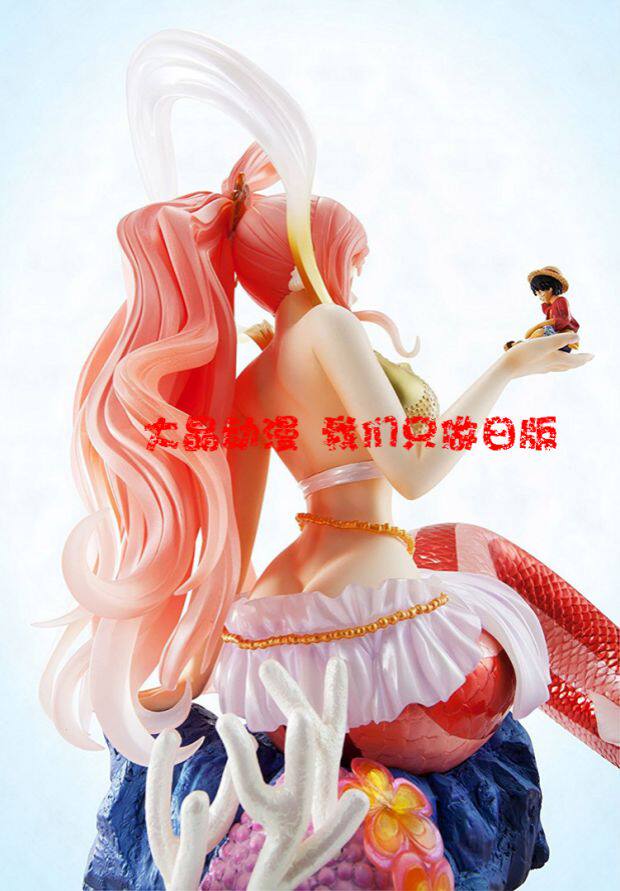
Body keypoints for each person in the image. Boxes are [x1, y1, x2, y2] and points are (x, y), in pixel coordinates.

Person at [40, 33, 615, 785]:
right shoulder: (331, 327)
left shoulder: (252, 380)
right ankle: (610, 700)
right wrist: (506, 368)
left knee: (454, 552)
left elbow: (233, 551)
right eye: (356, 263)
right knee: (481, 557)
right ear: (318, 257)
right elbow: (414, 471)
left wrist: (187, 677)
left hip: (278, 663)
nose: (356, 281)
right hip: (394, 670)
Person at [524, 266, 579, 353]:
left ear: (549, 288)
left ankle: (525, 345)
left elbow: (563, 320)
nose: (539, 296)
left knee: (540, 332)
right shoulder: (549, 307)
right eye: (536, 293)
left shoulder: (561, 300)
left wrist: (540, 325)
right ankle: (525, 344)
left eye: (540, 292)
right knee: (538, 333)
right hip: (554, 336)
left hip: (562, 339)